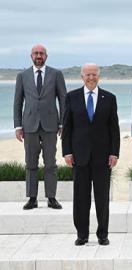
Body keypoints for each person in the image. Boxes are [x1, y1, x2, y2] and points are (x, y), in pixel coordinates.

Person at [62, 63, 120, 246]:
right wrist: (67, 152)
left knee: (102, 198)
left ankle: (103, 234)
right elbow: (67, 128)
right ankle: (82, 234)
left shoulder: (109, 98)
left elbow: (114, 129)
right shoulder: (71, 97)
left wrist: (114, 153)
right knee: (80, 198)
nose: (91, 77)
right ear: (81, 77)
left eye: (94, 74)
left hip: (103, 157)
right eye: (87, 74)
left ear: (99, 76)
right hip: (79, 156)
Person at [13, 44, 66, 210]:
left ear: (46, 56)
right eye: (36, 53)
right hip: (29, 126)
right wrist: (17, 126)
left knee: (50, 163)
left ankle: (51, 198)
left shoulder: (56, 74)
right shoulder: (22, 75)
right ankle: (32, 198)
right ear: (31, 56)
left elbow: (63, 100)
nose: (38, 56)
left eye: (41, 53)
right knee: (30, 163)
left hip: (51, 125)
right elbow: (17, 102)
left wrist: (63, 123)